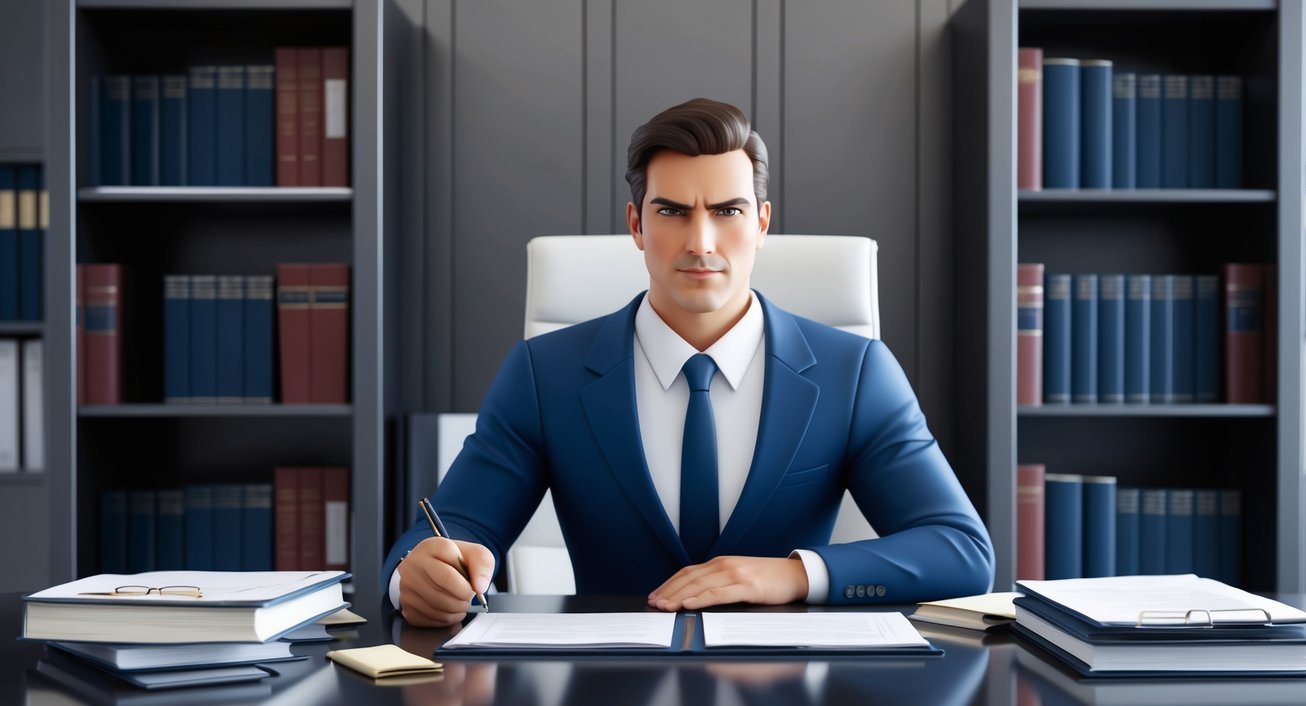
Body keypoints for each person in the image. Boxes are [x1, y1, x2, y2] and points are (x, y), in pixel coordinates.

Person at [385, 97, 993, 627]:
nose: (700, 242)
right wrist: (420, 575)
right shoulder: (546, 375)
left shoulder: (854, 372)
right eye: (672, 211)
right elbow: (446, 531)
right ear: (637, 226)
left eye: (727, 211)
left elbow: (961, 551)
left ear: (761, 224)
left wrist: (792, 576)